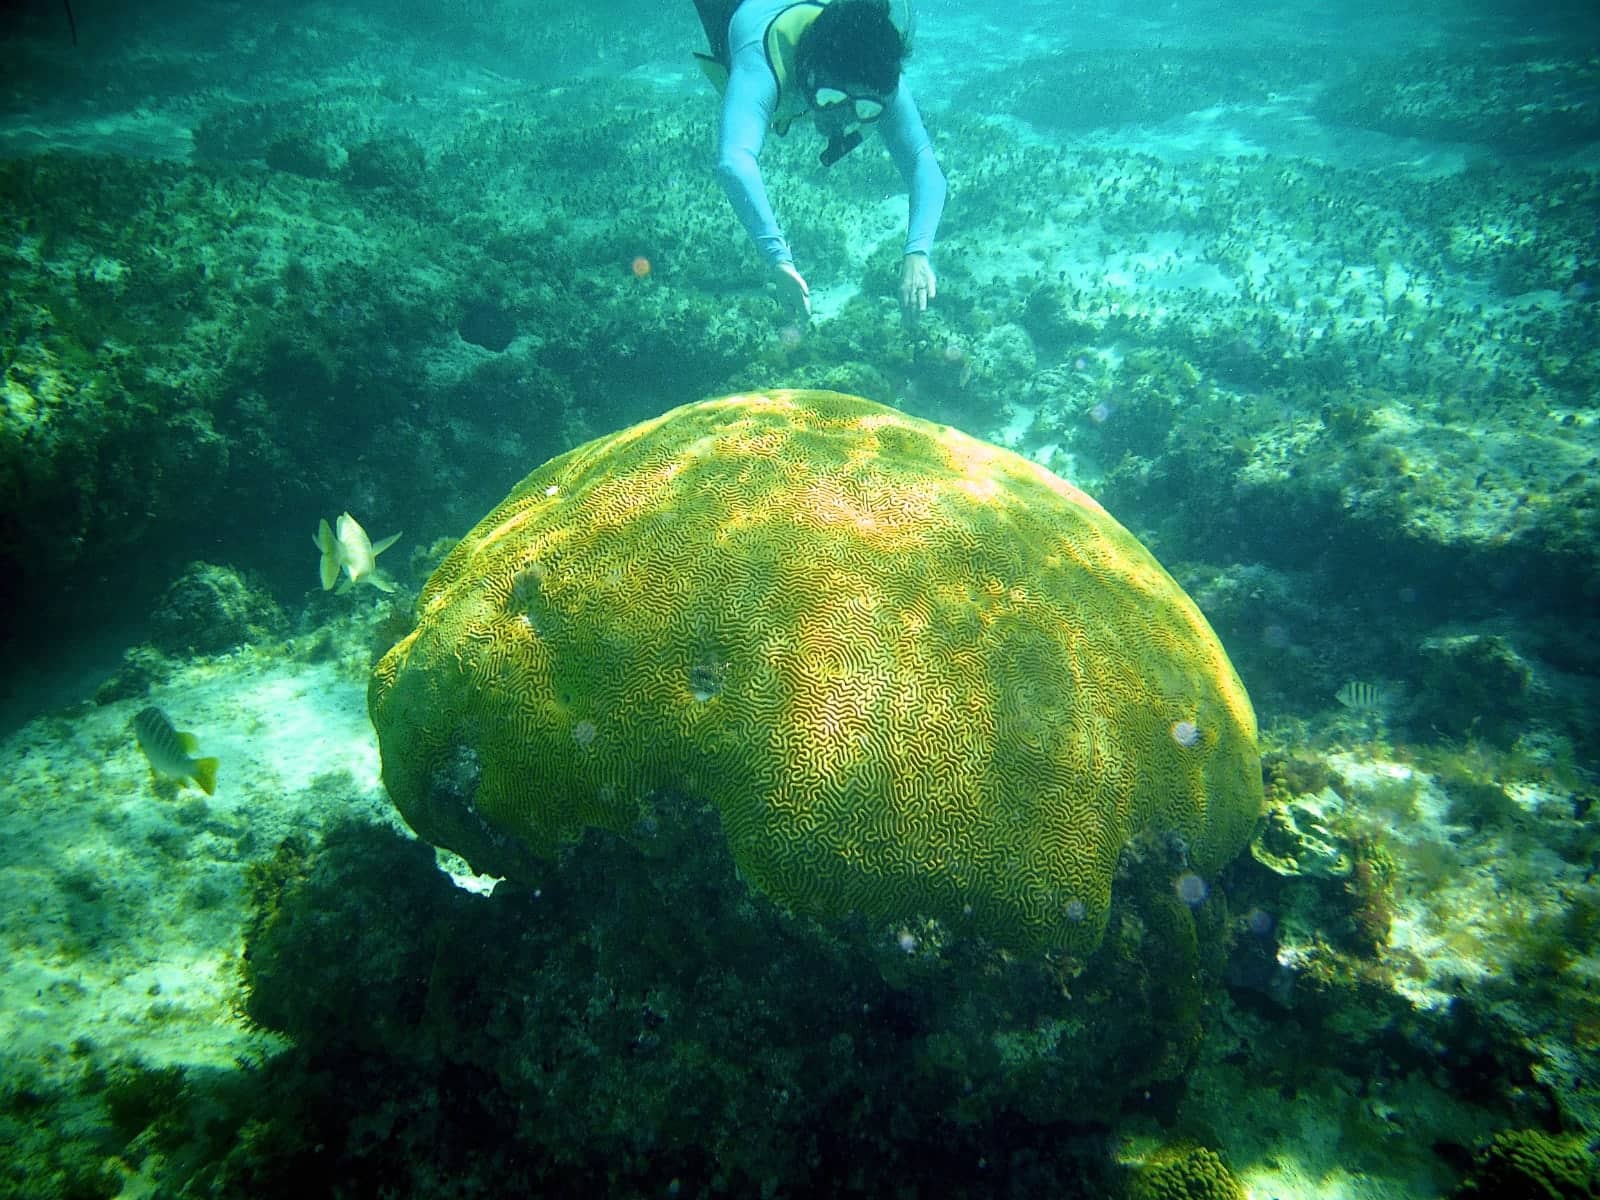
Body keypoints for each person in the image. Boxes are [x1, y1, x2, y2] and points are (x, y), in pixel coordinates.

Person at [693, 0, 947, 319]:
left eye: (866, 109)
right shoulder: (762, 57)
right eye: (830, 99)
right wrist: (778, 259)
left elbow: (924, 162)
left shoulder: (877, 71)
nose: (841, 120)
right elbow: (734, 162)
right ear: (807, 70)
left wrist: (918, 251)